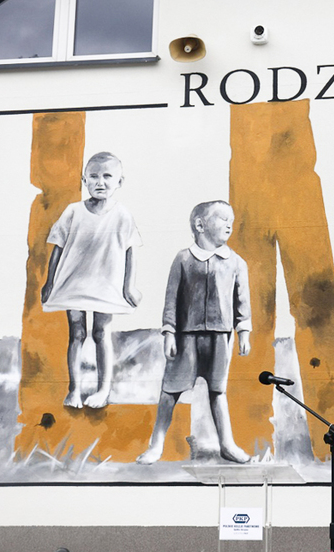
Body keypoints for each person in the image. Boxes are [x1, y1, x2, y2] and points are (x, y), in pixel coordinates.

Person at [138, 200, 252, 464]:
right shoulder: (183, 259)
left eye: (231, 220)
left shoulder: (236, 263)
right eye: (222, 219)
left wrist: (244, 331)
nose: (229, 225)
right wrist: (169, 332)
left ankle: (227, 445)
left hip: (220, 338)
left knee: (218, 392)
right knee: (170, 392)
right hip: (186, 337)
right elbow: (171, 298)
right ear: (200, 225)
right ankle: (156, 445)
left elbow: (242, 301)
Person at [41, 151, 142, 410]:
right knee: (76, 333)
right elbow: (57, 248)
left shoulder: (122, 215)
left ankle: (103, 389)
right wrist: (49, 282)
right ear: (84, 180)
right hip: (74, 283)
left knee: (101, 332)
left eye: (107, 176)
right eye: (94, 176)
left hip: (106, 284)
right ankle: (74, 389)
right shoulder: (73, 211)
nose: (100, 182)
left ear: (119, 182)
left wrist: (128, 286)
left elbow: (130, 250)